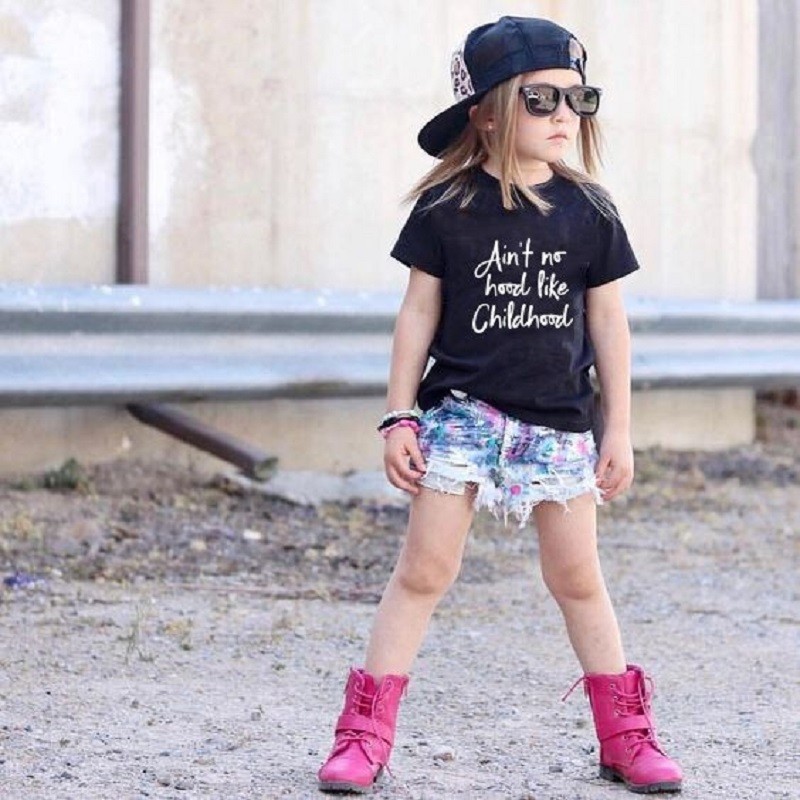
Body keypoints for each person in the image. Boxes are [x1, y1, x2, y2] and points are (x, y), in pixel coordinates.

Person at [318, 16, 683, 796]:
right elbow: (417, 314)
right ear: (486, 113)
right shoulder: (446, 208)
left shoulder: (591, 211)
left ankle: (625, 736)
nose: (564, 115)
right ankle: (363, 735)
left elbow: (608, 324)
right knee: (424, 570)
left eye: (577, 98)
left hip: (558, 425)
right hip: (462, 418)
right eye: (540, 99)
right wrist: (399, 414)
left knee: (577, 577)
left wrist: (619, 430)